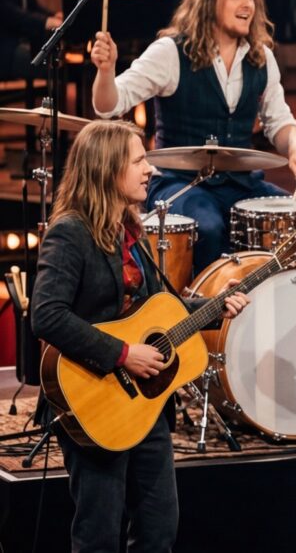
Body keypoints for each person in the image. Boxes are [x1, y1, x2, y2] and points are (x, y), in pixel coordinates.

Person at [32, 120, 248, 552]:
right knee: (98, 536)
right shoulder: (70, 232)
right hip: (93, 400)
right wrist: (122, 354)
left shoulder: (132, 233)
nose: (150, 170)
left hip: (145, 404)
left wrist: (214, 307)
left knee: (158, 531)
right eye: (138, 161)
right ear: (106, 168)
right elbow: (47, 315)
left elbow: (157, 313)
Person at [92, 0, 296, 273]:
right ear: (210, 1)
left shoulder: (261, 57)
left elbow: (279, 121)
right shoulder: (170, 52)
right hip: (177, 183)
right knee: (207, 227)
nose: (248, 4)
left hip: (240, 183)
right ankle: (206, 302)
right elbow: (108, 105)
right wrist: (106, 71)